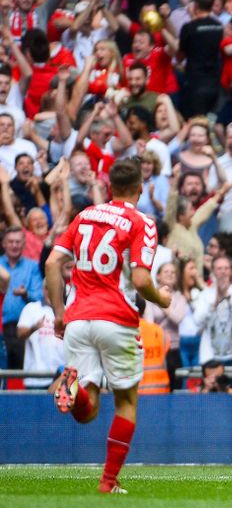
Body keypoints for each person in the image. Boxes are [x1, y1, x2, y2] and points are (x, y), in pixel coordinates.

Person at [45, 159, 172, 494]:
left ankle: (74, 391)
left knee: (87, 410)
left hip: (77, 319)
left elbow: (52, 262)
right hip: (116, 319)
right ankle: (108, 482)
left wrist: (59, 311)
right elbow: (142, 279)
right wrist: (163, 299)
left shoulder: (84, 215)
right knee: (126, 402)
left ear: (111, 185)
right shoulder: (141, 221)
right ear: (141, 186)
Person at [192, 255, 232, 366]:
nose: (223, 272)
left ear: (231, 271)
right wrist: (214, 303)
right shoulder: (205, 294)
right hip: (210, 357)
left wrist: (228, 297)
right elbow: (197, 320)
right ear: (214, 271)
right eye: (219, 268)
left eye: (226, 268)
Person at [1, 226, 43, 369]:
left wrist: (26, 294)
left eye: (18, 242)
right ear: (3, 244)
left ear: (24, 244)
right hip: (1, 328)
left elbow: (39, 297)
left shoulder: (32, 267)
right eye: (11, 241)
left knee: (21, 372)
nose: (14, 245)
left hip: (24, 329)